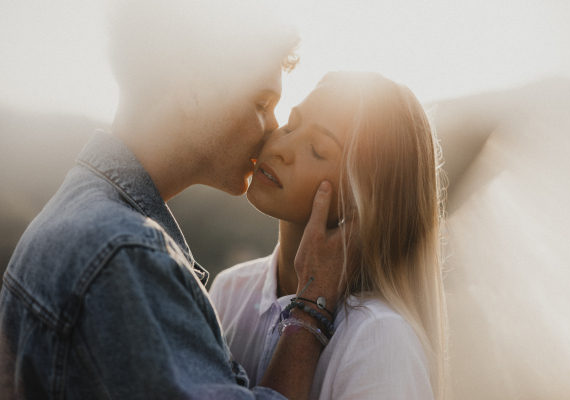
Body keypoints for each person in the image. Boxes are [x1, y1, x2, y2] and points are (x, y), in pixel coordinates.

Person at [0, 1, 348, 399]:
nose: (272, 128)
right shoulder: (124, 254)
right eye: (261, 104)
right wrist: (311, 307)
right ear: (195, 90)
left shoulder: (81, 218)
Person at [210, 71, 448, 399]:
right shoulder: (229, 290)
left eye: (319, 150)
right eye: (291, 124)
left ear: (363, 200)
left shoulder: (379, 337)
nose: (281, 147)